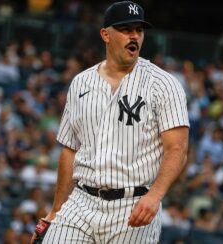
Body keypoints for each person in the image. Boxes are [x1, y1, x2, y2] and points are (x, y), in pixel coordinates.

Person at [31, 1, 189, 243]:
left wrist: (155, 196)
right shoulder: (81, 83)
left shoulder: (164, 84)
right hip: (81, 202)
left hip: (133, 205)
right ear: (106, 34)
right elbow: (70, 151)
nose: (134, 36)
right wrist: (55, 211)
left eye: (139, 30)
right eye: (126, 29)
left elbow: (177, 149)